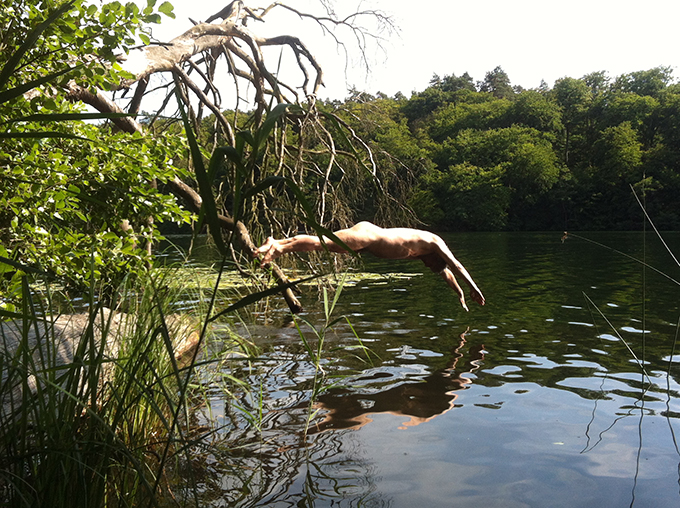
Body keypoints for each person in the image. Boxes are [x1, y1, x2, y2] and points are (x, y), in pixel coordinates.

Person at [254, 221, 485, 311]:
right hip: (369, 236)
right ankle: (278, 246)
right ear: (436, 258)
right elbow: (456, 267)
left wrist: (461, 295)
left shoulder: (433, 257)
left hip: (368, 242)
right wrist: (475, 288)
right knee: (321, 242)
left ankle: (278, 244)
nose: (425, 264)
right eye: (429, 263)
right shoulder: (435, 244)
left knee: (323, 243)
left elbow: (446, 274)